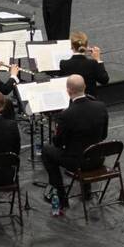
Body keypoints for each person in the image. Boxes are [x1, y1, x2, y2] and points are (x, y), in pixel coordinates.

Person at [41, 74, 109, 216]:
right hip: (97, 158)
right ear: (84, 87)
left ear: (68, 91)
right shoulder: (101, 107)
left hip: (78, 162)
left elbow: (58, 144)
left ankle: (61, 196)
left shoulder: (66, 115)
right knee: (86, 147)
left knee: (47, 151)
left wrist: (56, 133)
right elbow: (103, 136)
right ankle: (87, 192)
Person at [58, 32, 109, 97]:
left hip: (72, 101)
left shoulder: (63, 64)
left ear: (71, 47)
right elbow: (104, 80)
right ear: (87, 46)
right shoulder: (92, 63)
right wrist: (98, 59)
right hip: (91, 100)